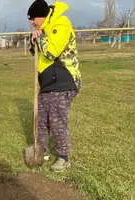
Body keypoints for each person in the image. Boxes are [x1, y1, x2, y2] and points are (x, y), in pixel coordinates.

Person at [27, 0, 82, 172]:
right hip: (47, 83)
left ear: (41, 16)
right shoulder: (43, 29)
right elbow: (36, 52)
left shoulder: (61, 24)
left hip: (63, 80)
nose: (31, 22)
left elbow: (51, 51)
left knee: (57, 120)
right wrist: (33, 41)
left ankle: (64, 157)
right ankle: (40, 150)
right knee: (42, 120)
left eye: (33, 18)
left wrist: (41, 37)